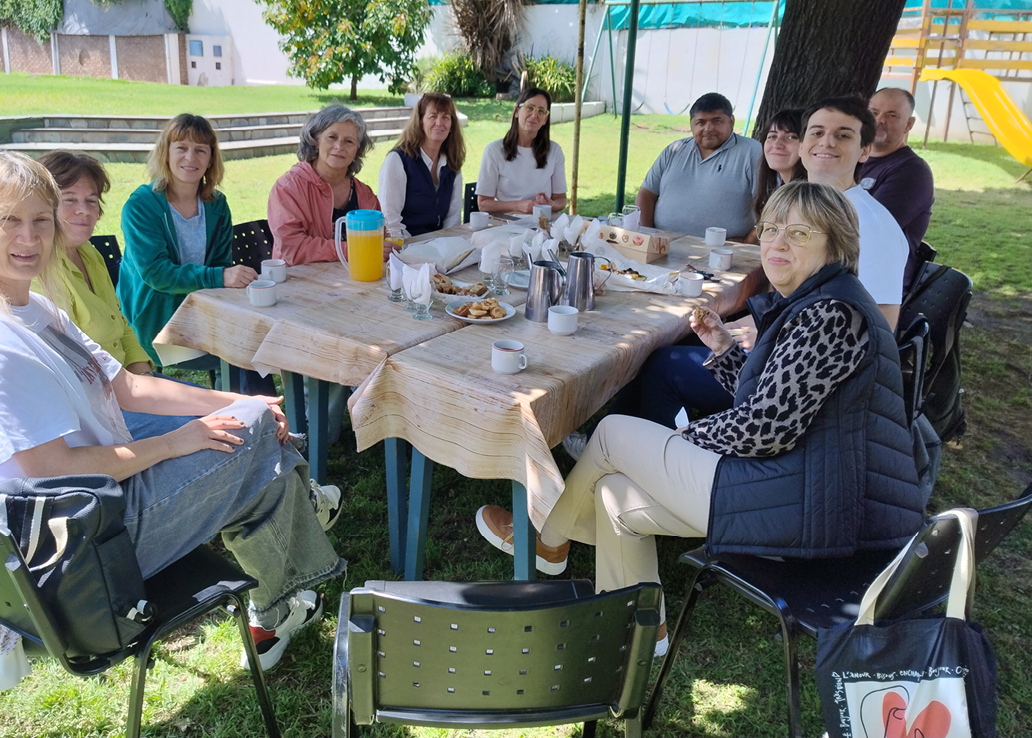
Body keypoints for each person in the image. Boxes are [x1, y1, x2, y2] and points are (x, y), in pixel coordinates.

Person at [0, 151, 345, 672]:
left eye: (41, 221)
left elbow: (128, 387)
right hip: (76, 550)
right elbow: (51, 471)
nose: (29, 238)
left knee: (251, 433)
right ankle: (293, 546)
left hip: (95, 510)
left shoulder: (30, 307)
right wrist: (173, 443)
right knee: (258, 445)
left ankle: (278, 607)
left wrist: (238, 400)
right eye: (9, 220)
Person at [477, 182, 924, 651]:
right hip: (808, 486)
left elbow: (765, 428)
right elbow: (780, 403)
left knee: (612, 435)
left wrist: (688, 436)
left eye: (799, 233)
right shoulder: (824, 300)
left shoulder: (832, 314)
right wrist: (725, 350)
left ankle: (549, 539)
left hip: (821, 507)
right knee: (614, 495)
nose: (777, 243)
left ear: (835, 245)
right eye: (771, 229)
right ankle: (638, 632)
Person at [37, 150, 204, 440]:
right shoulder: (42, 272)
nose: (84, 210)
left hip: (131, 388)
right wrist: (142, 394)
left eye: (91, 201)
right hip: (94, 412)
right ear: (44, 206)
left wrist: (145, 377)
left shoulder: (89, 254)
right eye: (69, 199)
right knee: (221, 429)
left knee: (237, 413)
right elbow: (72, 366)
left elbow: (122, 324)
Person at [117, 114, 258, 362]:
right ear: (166, 153)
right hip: (153, 322)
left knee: (253, 348)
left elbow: (220, 263)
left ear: (211, 159)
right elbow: (156, 273)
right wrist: (219, 277)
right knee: (239, 357)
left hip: (203, 311)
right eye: (181, 148)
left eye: (200, 150)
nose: (190, 158)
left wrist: (224, 278)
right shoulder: (141, 205)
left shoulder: (217, 205)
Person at [799, 95, 906, 329]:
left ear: (864, 151)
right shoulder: (801, 208)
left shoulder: (871, 226)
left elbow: (880, 323)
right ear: (801, 146)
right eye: (817, 133)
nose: (827, 142)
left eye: (843, 136)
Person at [267, 104, 392, 265]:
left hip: (356, 277)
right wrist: (352, 249)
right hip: (297, 278)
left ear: (357, 150)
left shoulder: (364, 195)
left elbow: (380, 241)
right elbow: (294, 249)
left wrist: (387, 248)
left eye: (349, 141)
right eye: (332, 137)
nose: (339, 146)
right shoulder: (288, 188)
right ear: (316, 139)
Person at [635, 92, 762, 240]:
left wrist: (748, 241)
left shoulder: (751, 152)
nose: (708, 128)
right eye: (701, 122)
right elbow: (646, 194)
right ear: (691, 125)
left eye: (717, 121)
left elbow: (771, 207)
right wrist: (647, 236)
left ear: (731, 122)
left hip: (723, 249)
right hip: (663, 243)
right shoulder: (675, 150)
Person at [865, 88, 935, 292]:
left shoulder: (912, 172)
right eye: (874, 113)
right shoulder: (852, 160)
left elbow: (869, 233)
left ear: (909, 124)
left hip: (876, 289)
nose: (880, 120)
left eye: (892, 115)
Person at [378, 92, 466, 238]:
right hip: (406, 244)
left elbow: (453, 218)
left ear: (452, 125)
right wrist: (417, 246)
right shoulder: (398, 160)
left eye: (445, 117)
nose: (439, 122)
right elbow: (390, 221)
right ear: (420, 121)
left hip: (441, 245)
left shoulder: (452, 163)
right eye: (433, 116)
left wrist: (446, 245)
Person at [475, 87, 568, 215]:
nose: (534, 115)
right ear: (516, 111)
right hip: (506, 223)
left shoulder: (554, 151)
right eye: (529, 108)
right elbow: (483, 204)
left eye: (541, 111)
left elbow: (561, 199)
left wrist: (552, 205)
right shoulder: (493, 151)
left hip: (542, 222)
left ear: (545, 119)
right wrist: (518, 205)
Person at [750, 108, 807, 231]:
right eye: (772, 136)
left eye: (791, 137)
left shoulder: (808, 198)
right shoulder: (778, 187)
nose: (777, 144)